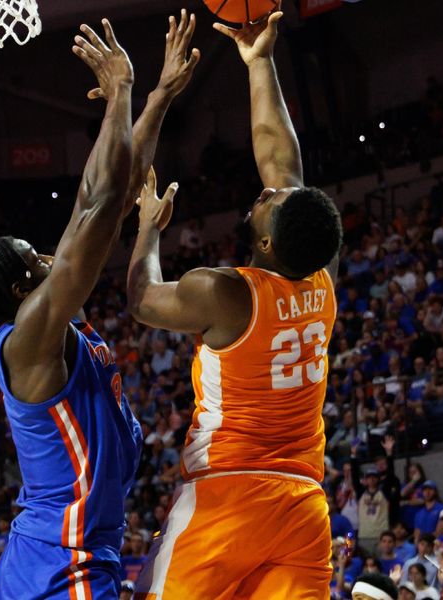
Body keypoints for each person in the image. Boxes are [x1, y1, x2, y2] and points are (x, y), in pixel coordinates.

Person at [0, 13, 200, 599]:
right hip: (61, 560)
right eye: (35, 257)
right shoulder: (30, 335)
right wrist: (119, 91)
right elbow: (98, 207)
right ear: (22, 290)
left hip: (74, 550)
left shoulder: (50, 313)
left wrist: (159, 98)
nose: (49, 253)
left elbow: (108, 198)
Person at [128, 7, 343, 599]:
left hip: (227, 495)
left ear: (267, 240)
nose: (267, 190)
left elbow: (142, 299)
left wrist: (148, 229)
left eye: (269, 202)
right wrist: (261, 60)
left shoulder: (226, 293)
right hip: (302, 506)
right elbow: (284, 167)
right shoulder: (319, 276)